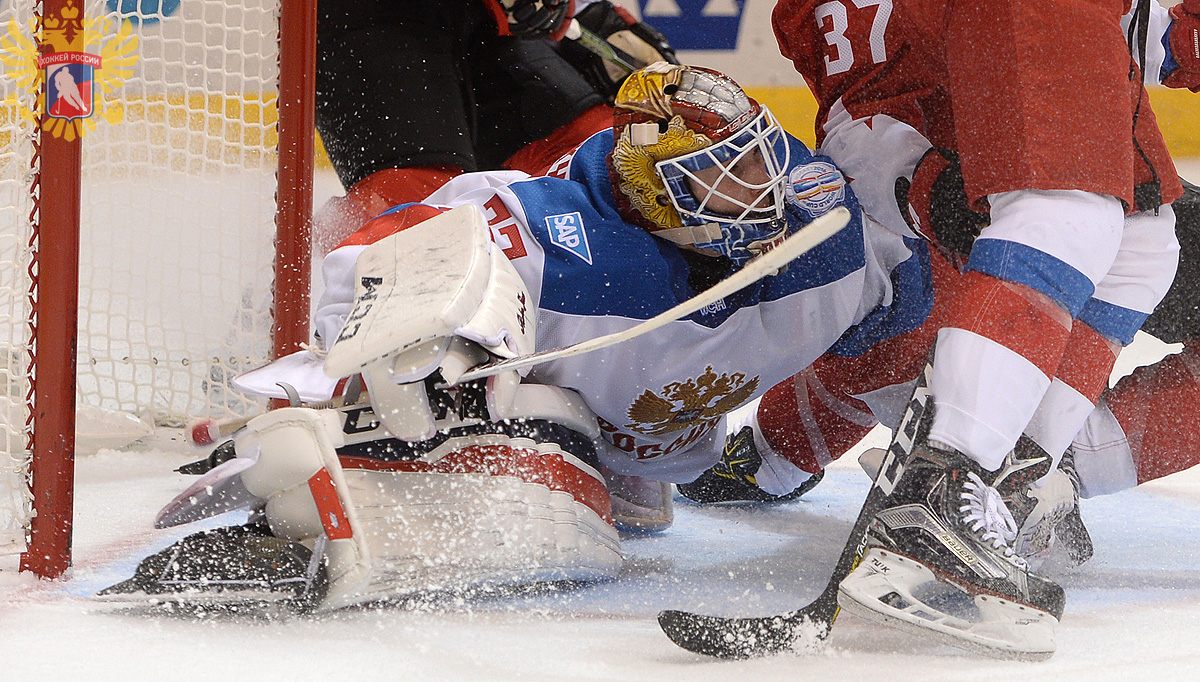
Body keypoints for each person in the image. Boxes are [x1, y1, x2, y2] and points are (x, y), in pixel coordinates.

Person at [98, 62, 939, 613]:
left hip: (662, 450)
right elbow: (378, 250)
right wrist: (385, 359)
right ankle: (346, 495)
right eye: (721, 185)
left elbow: (900, 316)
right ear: (652, 197)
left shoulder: (816, 218)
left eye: (760, 165)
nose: (759, 199)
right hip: (570, 429)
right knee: (502, 423)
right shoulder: (548, 236)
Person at [675, 0, 1194, 659]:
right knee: (1067, 214)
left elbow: (1159, 33)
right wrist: (923, 185)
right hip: (942, 173)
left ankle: (1002, 484)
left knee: (1141, 245)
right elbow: (859, 109)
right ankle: (942, 496)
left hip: (1032, 67)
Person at [311, 0, 676, 255]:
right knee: (419, 223)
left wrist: (587, 10)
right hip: (368, 13)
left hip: (487, 19)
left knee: (600, 151)